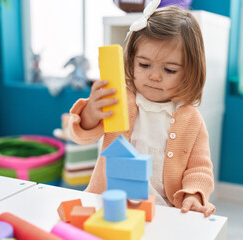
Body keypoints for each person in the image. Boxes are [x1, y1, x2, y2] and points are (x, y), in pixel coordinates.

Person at [68, 2, 215, 217]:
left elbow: (199, 169)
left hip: (162, 212)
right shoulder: (119, 99)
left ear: (189, 72)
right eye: (144, 65)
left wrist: (193, 195)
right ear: (131, 61)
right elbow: (81, 137)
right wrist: (90, 113)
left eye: (169, 69)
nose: (154, 76)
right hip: (109, 204)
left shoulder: (191, 119)